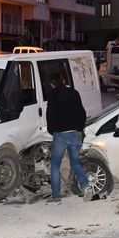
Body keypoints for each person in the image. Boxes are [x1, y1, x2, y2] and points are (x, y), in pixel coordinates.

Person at [45, 73, 94, 204]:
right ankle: (85, 186)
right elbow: (82, 112)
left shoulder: (53, 95)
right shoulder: (74, 93)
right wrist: (80, 129)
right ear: (63, 81)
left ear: (52, 84)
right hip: (75, 133)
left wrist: (52, 130)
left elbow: (50, 115)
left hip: (61, 134)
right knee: (75, 162)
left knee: (55, 164)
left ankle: (56, 196)